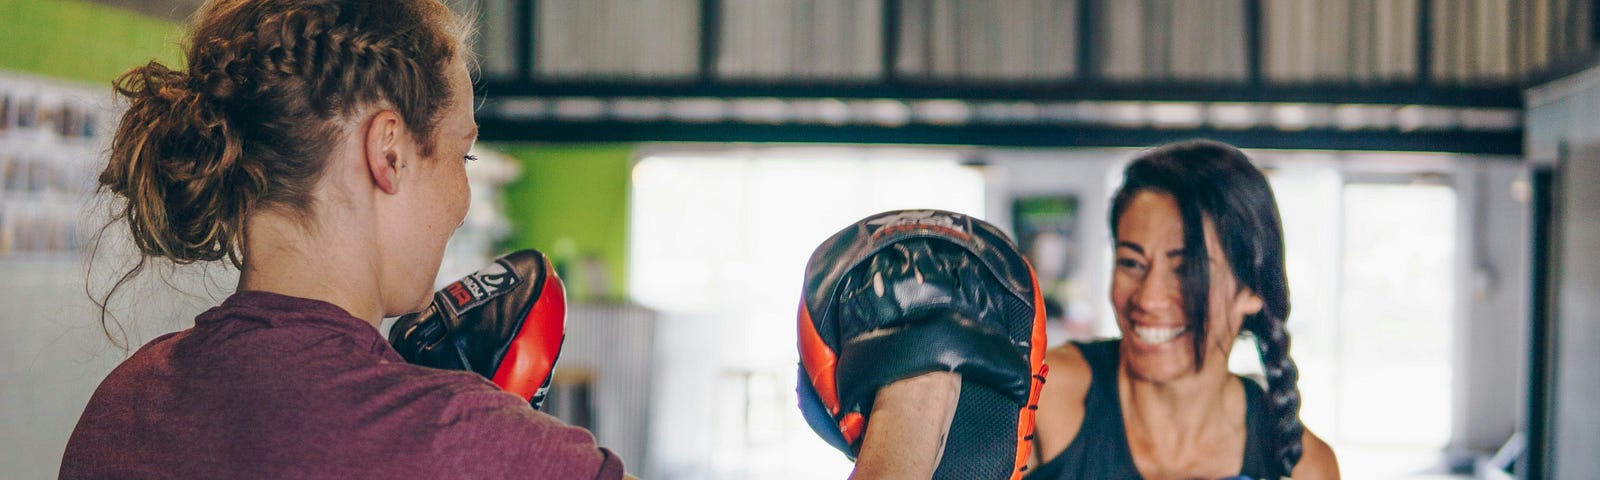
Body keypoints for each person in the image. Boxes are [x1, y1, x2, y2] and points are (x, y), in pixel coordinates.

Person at [60, 0, 626, 478]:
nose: (463, 201)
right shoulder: (483, 447)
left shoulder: (122, 405)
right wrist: (480, 423)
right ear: (389, 153)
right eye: (463, 154)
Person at [1026, 140, 1339, 479]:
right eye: (1131, 262)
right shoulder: (1045, 396)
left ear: (1252, 288)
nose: (1148, 298)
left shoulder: (1306, 467)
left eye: (1187, 269)